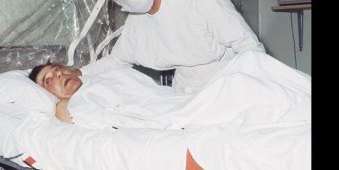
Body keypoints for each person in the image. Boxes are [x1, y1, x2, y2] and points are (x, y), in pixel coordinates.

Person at [81, 0, 266, 93]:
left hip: (228, 80)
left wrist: (254, 90)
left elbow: (249, 47)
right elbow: (117, 60)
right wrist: (80, 73)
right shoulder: (138, 18)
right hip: (184, 90)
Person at [29, 52, 310, 128]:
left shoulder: (107, 77)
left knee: (251, 60)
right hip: (173, 115)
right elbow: (68, 116)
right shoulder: (78, 103)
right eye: (48, 80)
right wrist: (56, 102)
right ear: (48, 94)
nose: (59, 74)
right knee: (239, 86)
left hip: (179, 99)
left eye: (58, 69)